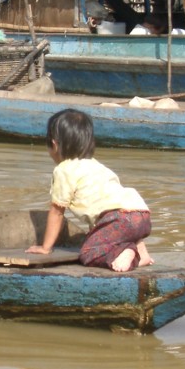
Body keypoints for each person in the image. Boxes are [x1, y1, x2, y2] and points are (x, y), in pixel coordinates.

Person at [26, 109, 154, 272]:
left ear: (54, 145)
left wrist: (45, 248)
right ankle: (141, 252)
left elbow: (57, 212)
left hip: (118, 217)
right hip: (141, 214)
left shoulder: (64, 170)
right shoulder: (96, 165)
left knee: (88, 253)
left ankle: (126, 251)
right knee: (110, 234)